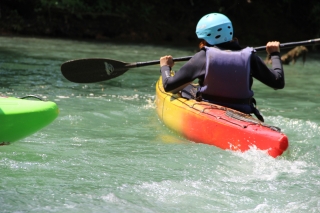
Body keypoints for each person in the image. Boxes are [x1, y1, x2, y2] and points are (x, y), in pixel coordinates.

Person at [159, 13, 284, 122]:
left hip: (210, 111)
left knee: (186, 86)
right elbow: (278, 82)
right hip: (243, 111)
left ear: (206, 38)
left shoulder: (203, 56)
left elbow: (168, 86)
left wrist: (165, 67)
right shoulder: (249, 56)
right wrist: (275, 54)